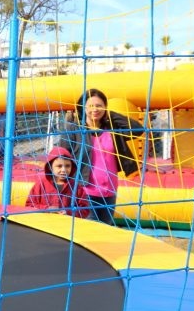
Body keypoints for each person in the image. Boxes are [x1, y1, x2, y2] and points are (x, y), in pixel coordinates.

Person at [58, 88, 144, 225]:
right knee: (89, 229)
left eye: (99, 105)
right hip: (84, 190)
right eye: (91, 106)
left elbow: (138, 129)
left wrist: (109, 114)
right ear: (83, 108)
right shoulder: (74, 128)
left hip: (109, 191)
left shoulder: (112, 128)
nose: (95, 109)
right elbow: (61, 156)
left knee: (106, 228)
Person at [25, 146, 91, 218]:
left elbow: (84, 209)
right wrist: (47, 209)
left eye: (67, 166)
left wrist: (68, 212)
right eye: (59, 166)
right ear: (50, 167)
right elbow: (29, 205)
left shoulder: (76, 187)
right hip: (43, 224)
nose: (64, 170)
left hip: (66, 225)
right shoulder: (41, 184)